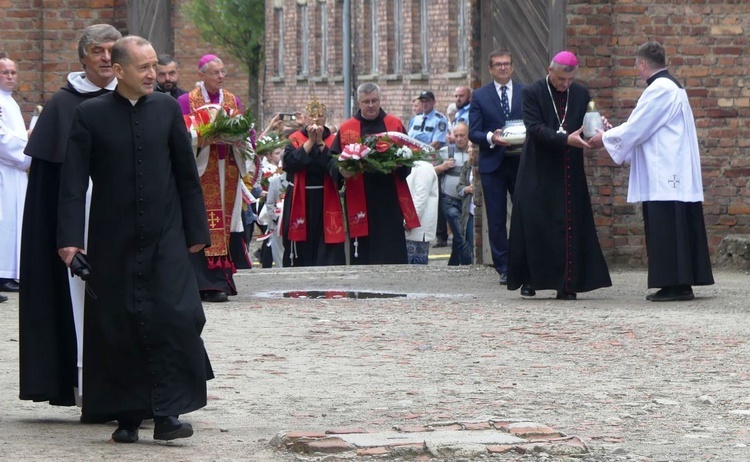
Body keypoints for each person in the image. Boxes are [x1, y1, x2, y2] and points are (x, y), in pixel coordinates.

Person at [57, 35, 213, 443]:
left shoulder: (165, 108)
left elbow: (185, 174)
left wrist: (198, 232)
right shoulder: (90, 115)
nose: (152, 74)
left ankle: (167, 416)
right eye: (143, 67)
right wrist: (70, 240)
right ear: (119, 70)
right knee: (118, 325)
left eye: (154, 65)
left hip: (166, 235)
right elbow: (72, 182)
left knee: (177, 318)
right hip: (113, 238)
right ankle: (127, 418)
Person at [19, 23, 122, 415]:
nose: (106, 58)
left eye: (112, 50)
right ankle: (83, 386)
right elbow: (46, 187)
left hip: (122, 220)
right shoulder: (63, 105)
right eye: (97, 50)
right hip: (76, 227)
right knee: (79, 306)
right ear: (83, 57)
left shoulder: (134, 99)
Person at [591, 41, 714, 301]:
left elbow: (637, 127)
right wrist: (613, 134)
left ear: (643, 64)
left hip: (664, 173)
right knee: (677, 228)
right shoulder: (673, 87)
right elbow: (642, 126)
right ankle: (682, 283)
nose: (637, 70)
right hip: (673, 169)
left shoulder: (659, 89)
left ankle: (673, 285)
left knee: (666, 228)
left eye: (637, 66)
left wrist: (605, 137)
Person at [507, 51, 611, 300]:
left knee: (568, 226)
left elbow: (586, 127)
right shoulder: (532, 92)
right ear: (550, 71)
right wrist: (566, 139)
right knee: (536, 225)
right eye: (562, 80)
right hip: (538, 169)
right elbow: (535, 129)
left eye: (570, 80)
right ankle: (532, 278)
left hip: (568, 172)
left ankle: (567, 283)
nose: (566, 85)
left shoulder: (581, 93)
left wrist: (599, 129)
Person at [178, 54, 249, 303]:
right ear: (201, 76)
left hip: (226, 169)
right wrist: (201, 139)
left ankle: (222, 279)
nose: (220, 77)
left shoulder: (232, 100)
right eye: (215, 72)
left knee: (225, 225)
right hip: (201, 170)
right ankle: (202, 282)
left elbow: (246, 135)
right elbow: (180, 136)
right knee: (202, 223)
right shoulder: (186, 102)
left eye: (222, 72)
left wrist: (238, 139)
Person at [331, 82, 415, 264]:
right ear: (359, 103)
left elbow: (409, 158)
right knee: (364, 253)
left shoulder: (394, 124)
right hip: (360, 195)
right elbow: (333, 161)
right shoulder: (347, 128)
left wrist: (400, 166)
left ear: (379, 100)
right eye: (366, 102)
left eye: (374, 101)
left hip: (389, 197)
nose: (371, 105)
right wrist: (342, 170)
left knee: (391, 249)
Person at [468, 49, 524, 284]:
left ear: (512, 67)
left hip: (521, 161)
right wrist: (492, 137)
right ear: (490, 69)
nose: (503, 68)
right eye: (498, 64)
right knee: (497, 217)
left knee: (524, 212)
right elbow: (474, 132)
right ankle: (503, 266)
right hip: (494, 163)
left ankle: (523, 261)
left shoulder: (525, 92)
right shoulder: (480, 96)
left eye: (507, 64)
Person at [282, 97, 345, 266]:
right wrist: (310, 143)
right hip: (299, 199)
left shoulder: (333, 141)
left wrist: (321, 144)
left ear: (325, 119)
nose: (316, 120)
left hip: (325, 199)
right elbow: (289, 164)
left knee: (326, 250)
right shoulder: (295, 139)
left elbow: (337, 170)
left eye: (320, 116)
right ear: (305, 118)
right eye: (312, 116)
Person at [0, 55, 30, 294]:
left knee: (15, 221)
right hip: (4, 171)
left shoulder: (10, 102)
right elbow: (2, 139)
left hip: (14, 171)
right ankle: (3, 273)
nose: (10, 77)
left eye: (13, 72)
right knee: (5, 222)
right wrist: (27, 144)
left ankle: (11, 272)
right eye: (5, 72)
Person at [435, 122, 472, 265]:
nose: (459, 139)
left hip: (466, 202)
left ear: (468, 135)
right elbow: (429, 170)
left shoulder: (473, 151)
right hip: (449, 200)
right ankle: (469, 264)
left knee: (458, 236)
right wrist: (442, 167)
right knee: (460, 234)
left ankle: (453, 265)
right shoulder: (445, 151)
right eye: (456, 135)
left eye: (462, 135)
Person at [405, 160, 439, 264]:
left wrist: (409, 221)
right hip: (411, 222)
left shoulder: (423, 167)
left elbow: (420, 198)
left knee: (417, 265)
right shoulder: (412, 165)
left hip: (418, 225)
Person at [457, 143, 477, 262]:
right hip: (469, 211)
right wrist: (467, 189)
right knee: (469, 241)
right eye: (469, 147)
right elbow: (459, 187)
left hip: (480, 210)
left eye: (472, 147)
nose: (470, 149)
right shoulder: (466, 166)